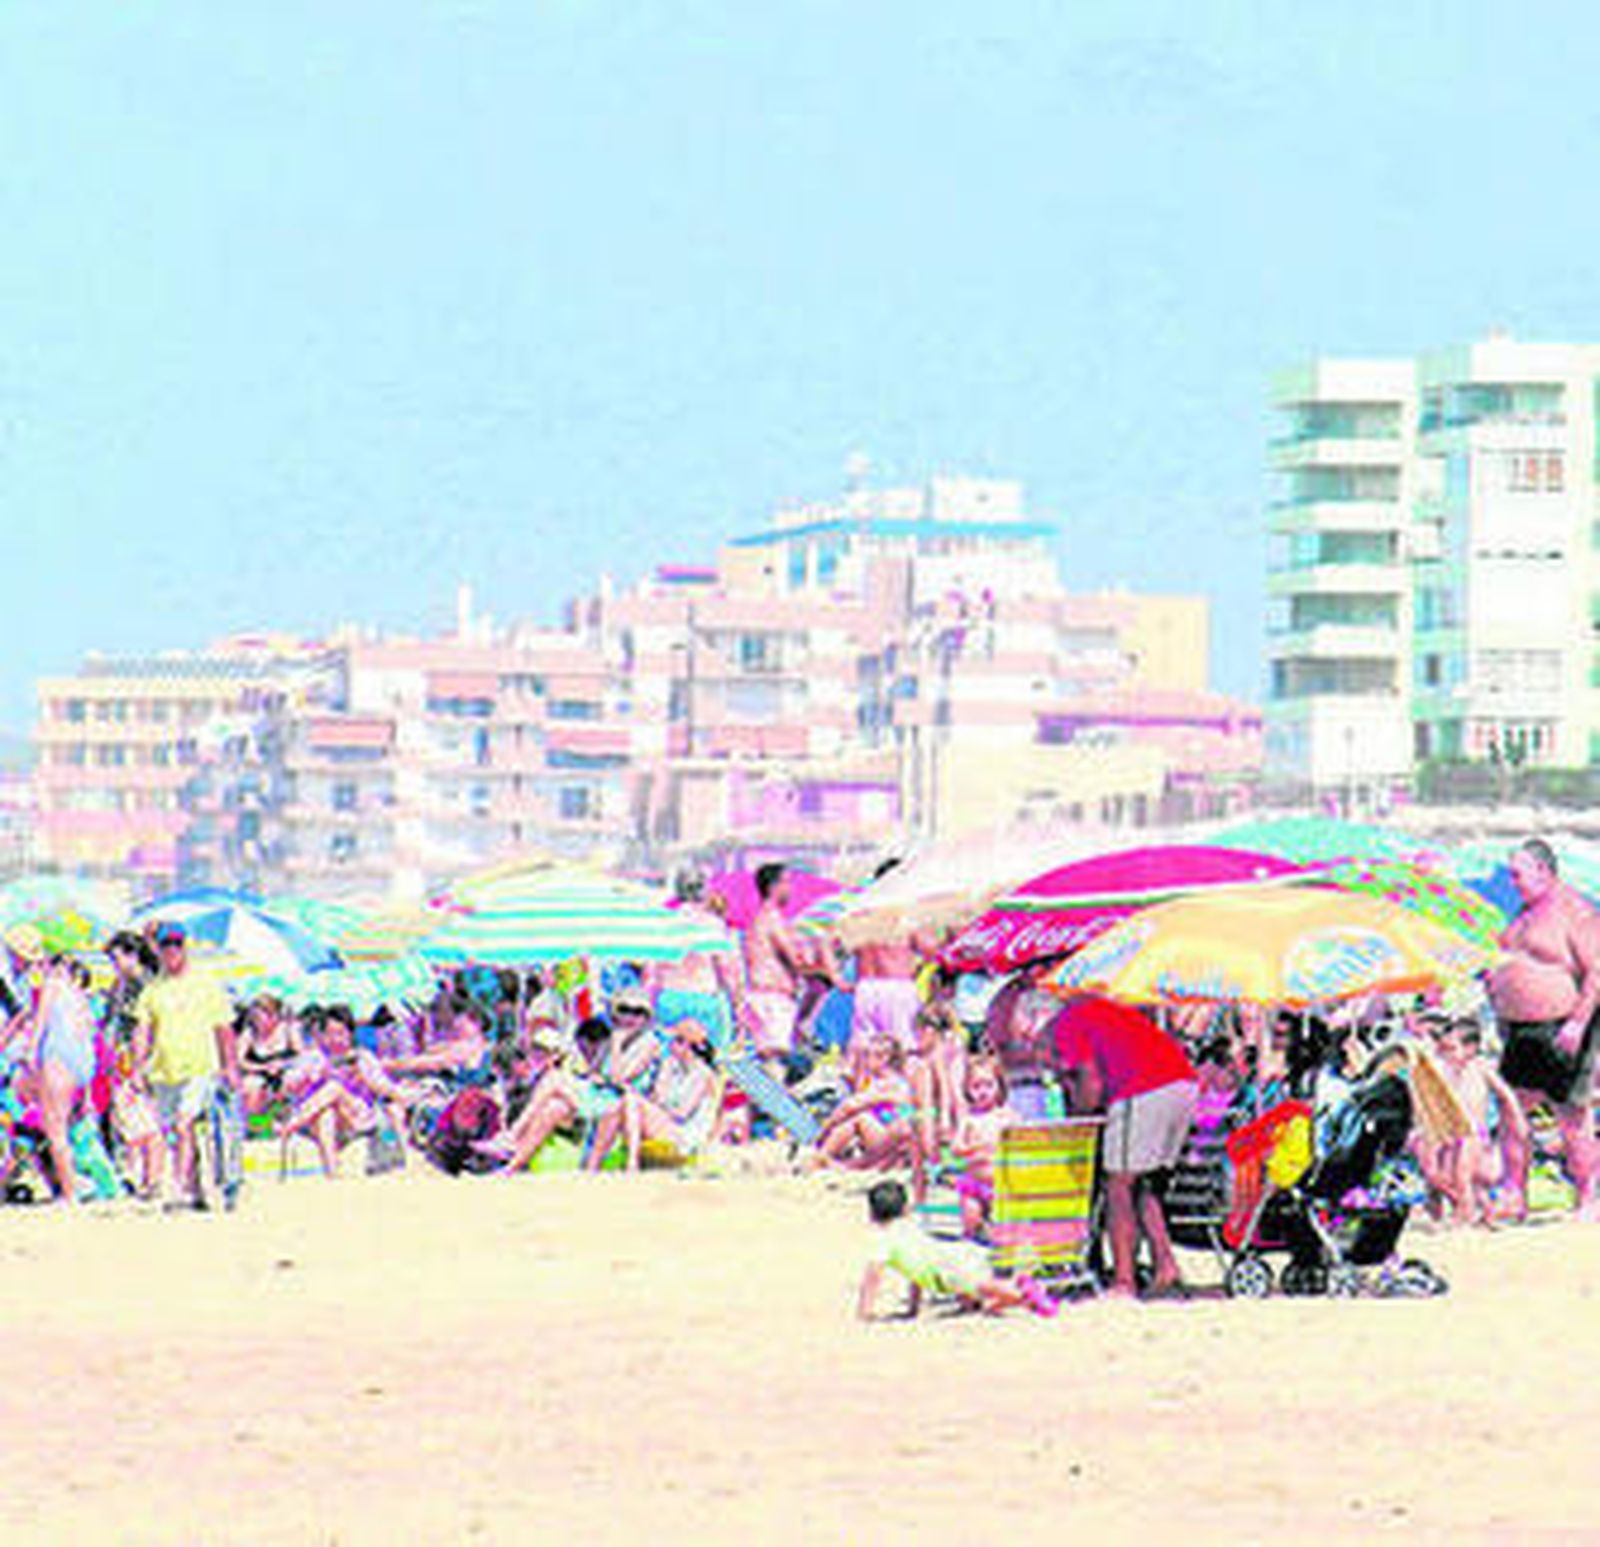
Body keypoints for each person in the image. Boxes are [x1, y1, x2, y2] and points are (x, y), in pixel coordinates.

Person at [1052, 994, 1198, 1299]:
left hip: (1143, 1087)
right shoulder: (1106, 1007)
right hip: (1182, 1081)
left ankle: (1124, 1281)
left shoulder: (1068, 1021)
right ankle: (1165, 1266)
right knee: (1144, 1184)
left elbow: (1091, 1086)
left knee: (1117, 1184)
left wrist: (1076, 1123)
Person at [1487, 838, 1600, 1219]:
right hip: (1519, 1032)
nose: (1513, 881)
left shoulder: (1574, 912)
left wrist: (1579, 1023)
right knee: (1511, 1114)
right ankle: (1514, 1193)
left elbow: (1597, 972)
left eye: (1518, 874)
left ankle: (1588, 1196)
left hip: (1562, 1027)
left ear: (1544, 871)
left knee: (1571, 1118)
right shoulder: (1522, 914)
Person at [132, 922, 240, 1210]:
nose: (172, 951)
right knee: (176, 1133)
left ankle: (179, 1187)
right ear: (158, 950)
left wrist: (230, 1066)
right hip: (164, 1071)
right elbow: (142, 1031)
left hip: (200, 1066)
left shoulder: (205, 983)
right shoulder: (152, 990)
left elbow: (224, 1028)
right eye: (167, 945)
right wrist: (137, 1068)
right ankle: (194, 1190)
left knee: (184, 1125)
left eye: (177, 944)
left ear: (185, 947)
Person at [856, 1179, 1057, 1320]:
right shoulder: (911, 1225)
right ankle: (1013, 1291)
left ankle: (1023, 1294)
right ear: (905, 1209)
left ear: (871, 1213)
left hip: (945, 1268)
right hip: (954, 1253)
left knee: (980, 1285)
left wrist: (864, 1311)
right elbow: (916, 1272)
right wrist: (913, 1307)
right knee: (977, 1300)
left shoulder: (882, 1240)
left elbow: (873, 1276)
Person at [651, 869, 749, 1055]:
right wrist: (738, 1008)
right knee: (709, 1059)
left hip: (669, 996)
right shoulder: (712, 924)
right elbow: (728, 970)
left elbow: (652, 970)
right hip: (702, 996)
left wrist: (650, 1002)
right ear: (704, 891)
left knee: (669, 1058)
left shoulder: (664, 923)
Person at [26, 955, 98, 1205]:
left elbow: (40, 1025)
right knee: (64, 1127)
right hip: (81, 1063)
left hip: (57, 1056)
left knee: (55, 1128)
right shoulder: (79, 995)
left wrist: (28, 1056)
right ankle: (71, 1187)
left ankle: (69, 1194)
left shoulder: (51, 988)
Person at [812, 1034, 916, 1171]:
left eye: (868, 1055)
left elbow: (849, 1106)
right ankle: (823, 1157)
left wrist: (822, 1134)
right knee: (858, 1119)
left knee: (859, 1120)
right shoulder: (897, 1081)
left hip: (893, 1146)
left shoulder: (890, 1084)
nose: (865, 1060)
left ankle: (820, 1157)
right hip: (893, 1143)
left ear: (884, 1058)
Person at [743, 863, 810, 1069]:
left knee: (767, 1062)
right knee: (776, 1062)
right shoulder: (772, 919)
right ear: (773, 887)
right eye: (786, 882)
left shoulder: (761, 919)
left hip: (763, 996)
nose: (790, 889)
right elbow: (796, 959)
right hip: (772, 998)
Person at [947, 1056, 1021, 1240]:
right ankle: (975, 1234)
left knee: (1004, 1226)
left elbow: (1021, 1145)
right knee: (971, 1221)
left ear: (999, 1086)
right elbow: (955, 1148)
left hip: (1002, 1183)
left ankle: (995, 1236)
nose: (983, 1091)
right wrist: (973, 1147)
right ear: (967, 1089)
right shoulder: (969, 1119)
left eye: (988, 1085)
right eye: (976, 1086)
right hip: (974, 1183)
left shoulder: (1008, 1117)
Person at [237, 996, 304, 1118]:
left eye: (259, 1017)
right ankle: (256, 1123)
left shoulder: (288, 1030)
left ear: (273, 1015)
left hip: (286, 1069)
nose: (257, 1022)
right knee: (251, 1085)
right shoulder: (250, 1034)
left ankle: (286, 1116)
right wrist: (262, 1067)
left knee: (293, 1078)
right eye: (254, 1018)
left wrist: (282, 1064)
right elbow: (240, 1061)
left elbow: (301, 1054)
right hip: (260, 1071)